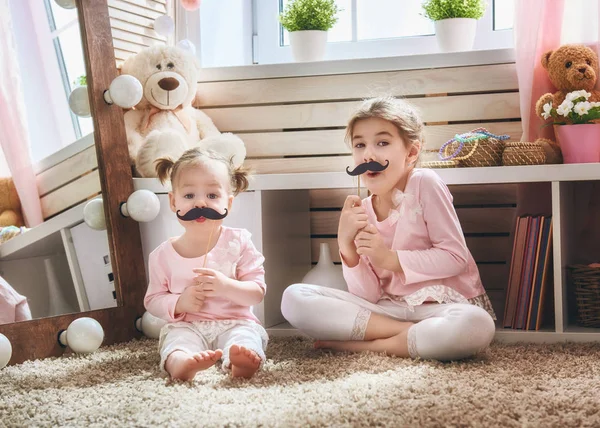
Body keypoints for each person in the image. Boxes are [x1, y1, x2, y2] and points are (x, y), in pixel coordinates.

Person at [281, 96, 497, 361]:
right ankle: (405, 335)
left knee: (477, 325)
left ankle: (366, 346)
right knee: (294, 298)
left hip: (442, 309)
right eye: (360, 145)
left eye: (382, 143)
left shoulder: (424, 183)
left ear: (412, 153)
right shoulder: (361, 209)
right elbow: (368, 296)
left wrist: (390, 259)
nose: (368, 155)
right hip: (388, 311)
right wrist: (346, 248)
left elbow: (455, 258)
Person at [144, 146, 268, 380]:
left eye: (212, 196)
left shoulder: (239, 242)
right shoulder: (162, 255)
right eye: (189, 196)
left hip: (235, 322)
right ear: (173, 202)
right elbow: (152, 301)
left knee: (245, 338)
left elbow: (257, 292)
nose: (200, 203)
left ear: (228, 204)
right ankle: (180, 363)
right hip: (188, 325)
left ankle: (240, 361)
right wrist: (180, 302)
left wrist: (226, 286)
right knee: (177, 342)